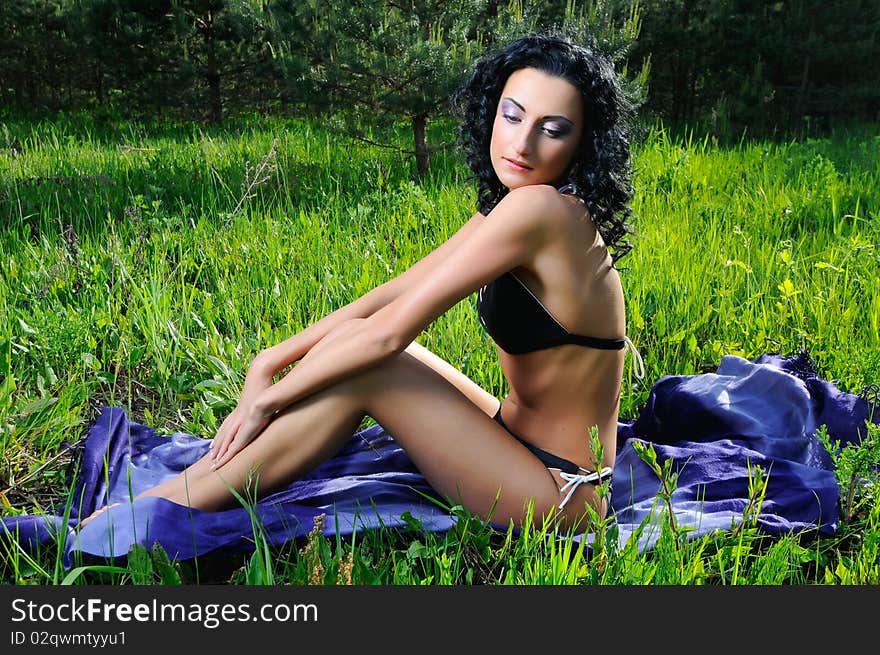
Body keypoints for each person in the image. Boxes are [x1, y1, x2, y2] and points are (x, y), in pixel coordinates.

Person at [80, 32, 642, 534]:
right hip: (513, 434)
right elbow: (391, 294)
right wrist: (268, 360)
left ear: (580, 147)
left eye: (553, 130)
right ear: (490, 113)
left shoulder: (543, 212)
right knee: (359, 345)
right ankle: (201, 480)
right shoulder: (516, 208)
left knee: (373, 362)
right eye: (512, 116)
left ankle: (162, 508)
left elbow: (385, 338)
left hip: (562, 492)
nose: (522, 144)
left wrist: (264, 403)